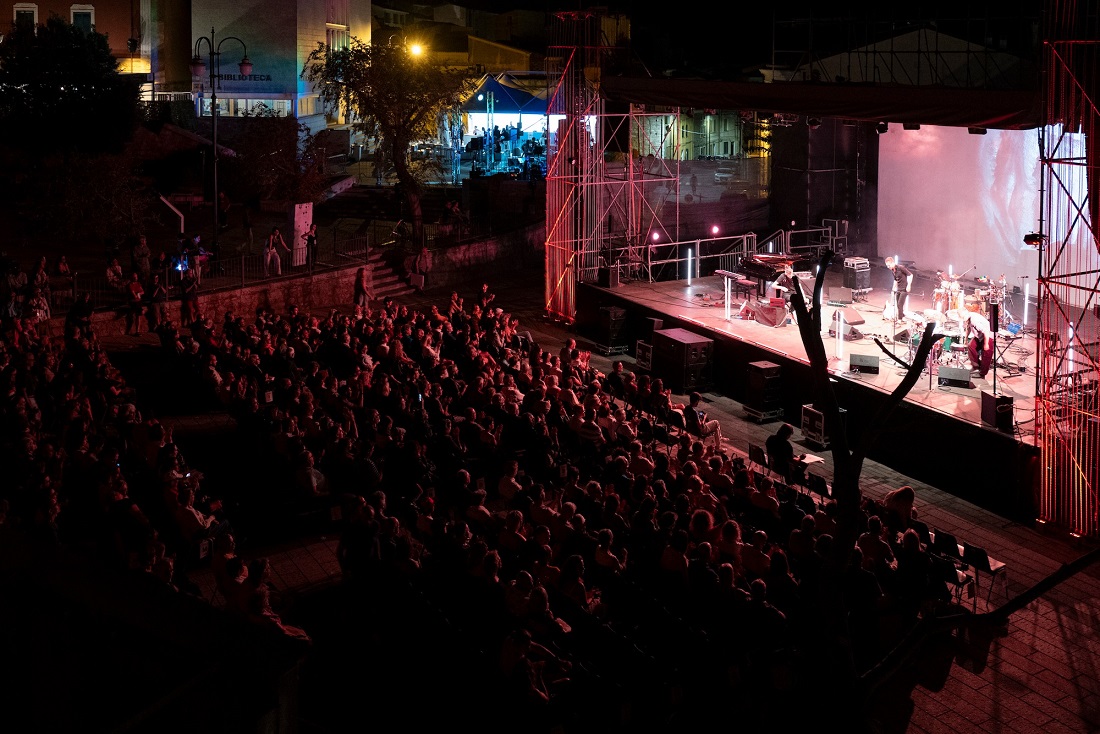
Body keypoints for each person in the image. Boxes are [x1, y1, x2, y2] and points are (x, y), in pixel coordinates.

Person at [962, 309, 994, 378]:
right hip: (980, 335)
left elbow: (985, 331)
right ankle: (976, 366)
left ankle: (982, 373)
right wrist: (966, 339)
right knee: (971, 346)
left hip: (989, 334)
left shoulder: (974, 320)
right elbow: (968, 328)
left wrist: (986, 344)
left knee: (986, 353)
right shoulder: (969, 319)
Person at [884, 256, 912, 322]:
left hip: (904, 289)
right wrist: (893, 289)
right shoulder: (893, 271)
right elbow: (895, 280)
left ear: (892, 263)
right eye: (887, 266)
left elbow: (910, 275)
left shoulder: (901, 268)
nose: (888, 267)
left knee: (900, 304)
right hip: (898, 289)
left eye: (889, 265)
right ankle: (902, 316)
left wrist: (909, 285)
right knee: (898, 305)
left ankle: (900, 320)